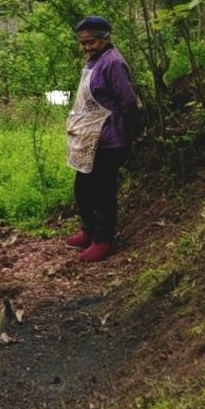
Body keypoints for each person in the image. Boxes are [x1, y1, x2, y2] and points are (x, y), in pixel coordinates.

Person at [63, 15, 139, 263]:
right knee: (83, 189)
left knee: (102, 191)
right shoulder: (94, 61)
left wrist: (131, 132)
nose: (86, 47)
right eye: (83, 43)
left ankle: (103, 240)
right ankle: (89, 231)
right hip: (89, 138)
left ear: (105, 39)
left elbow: (127, 101)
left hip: (110, 139)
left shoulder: (113, 63)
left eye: (91, 42)